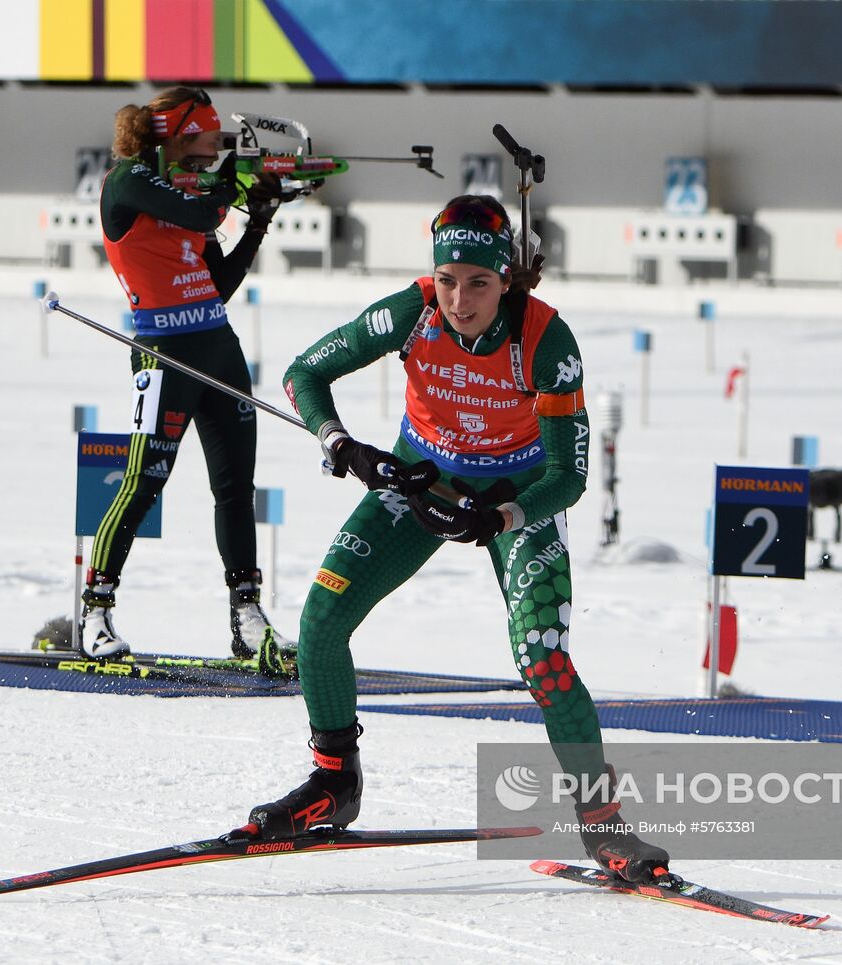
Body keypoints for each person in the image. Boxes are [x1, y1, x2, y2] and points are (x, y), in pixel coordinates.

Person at [241, 195, 672, 884]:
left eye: (478, 282)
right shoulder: (409, 312)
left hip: (516, 499)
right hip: (424, 482)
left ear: (508, 279)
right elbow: (304, 372)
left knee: (544, 662)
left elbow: (568, 476)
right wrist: (342, 444)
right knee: (321, 622)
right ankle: (333, 782)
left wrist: (498, 517)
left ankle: (604, 825)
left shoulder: (544, 340)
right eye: (447, 280)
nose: (459, 298)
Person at [80, 86, 293, 675]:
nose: (213, 151)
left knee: (235, 487)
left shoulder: (189, 193)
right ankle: (94, 611)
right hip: (164, 353)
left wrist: (258, 218)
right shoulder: (130, 181)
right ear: (175, 134)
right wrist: (236, 184)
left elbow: (217, 282)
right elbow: (202, 211)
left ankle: (246, 616)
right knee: (144, 481)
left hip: (218, 347)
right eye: (206, 140)